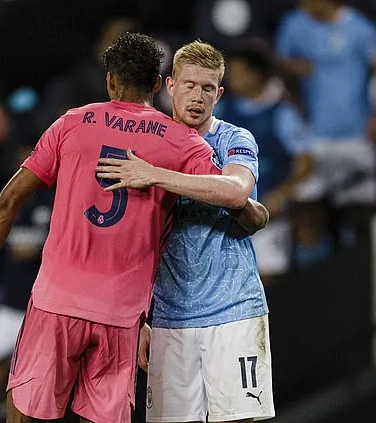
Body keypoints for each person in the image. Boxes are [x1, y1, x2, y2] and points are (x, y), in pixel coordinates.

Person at [0, 33, 262, 423]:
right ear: (159, 84)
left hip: (56, 303)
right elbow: (235, 202)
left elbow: (7, 202)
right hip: (120, 315)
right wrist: (254, 212)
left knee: (24, 416)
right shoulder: (184, 142)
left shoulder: (71, 123)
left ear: (110, 81)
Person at [96, 40, 275, 422]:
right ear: (170, 86)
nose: (198, 97)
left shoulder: (234, 139)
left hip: (233, 308)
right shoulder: (148, 143)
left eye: (208, 88)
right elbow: (134, 243)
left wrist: (155, 175)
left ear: (219, 94)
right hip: (168, 317)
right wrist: (139, 318)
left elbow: (236, 190)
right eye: (190, 86)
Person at [275, 0, 376, 261]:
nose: (303, 5)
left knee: (359, 209)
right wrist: (298, 70)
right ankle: (310, 273)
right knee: (307, 208)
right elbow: (280, 63)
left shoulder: (360, 28)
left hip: (356, 133)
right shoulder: (294, 24)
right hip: (312, 135)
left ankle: (360, 269)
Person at [214, 40, 314, 280]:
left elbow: (307, 161)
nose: (232, 79)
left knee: (267, 283)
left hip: (268, 214)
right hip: (226, 216)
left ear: (257, 74)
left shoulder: (282, 114)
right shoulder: (219, 111)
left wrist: (283, 193)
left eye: (239, 73)